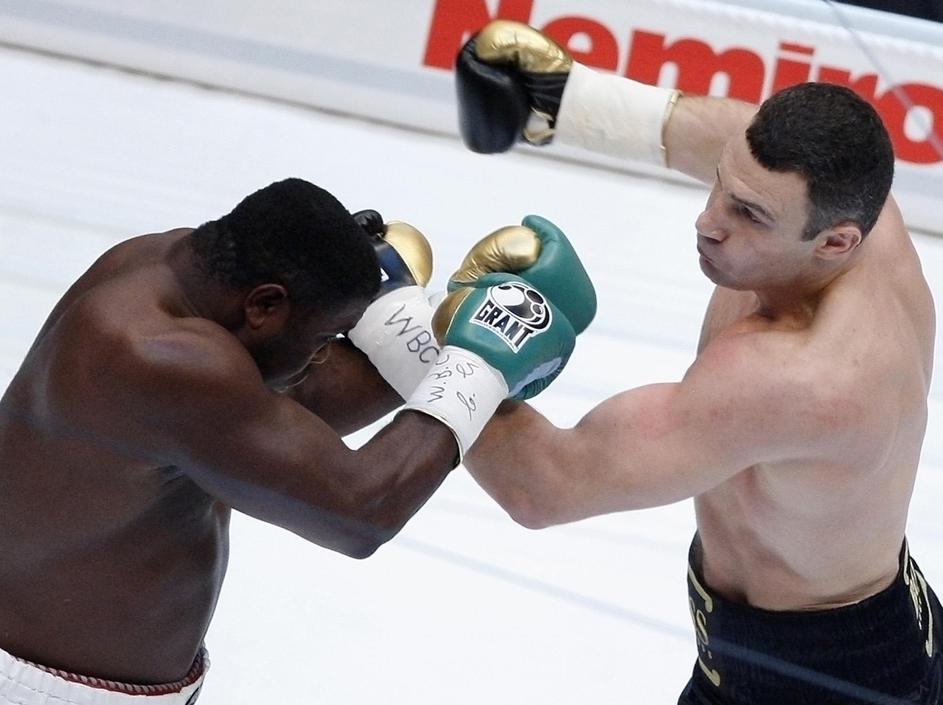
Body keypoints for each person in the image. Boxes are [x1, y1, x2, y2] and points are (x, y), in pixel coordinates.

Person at [453, 20, 942, 705]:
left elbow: (546, 486)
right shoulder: (857, 208)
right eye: (719, 184)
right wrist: (573, 100)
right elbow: (739, 139)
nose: (708, 222)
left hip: (820, 683)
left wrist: (416, 323)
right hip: (862, 624)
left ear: (834, 242)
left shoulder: (796, 376)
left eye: (747, 214)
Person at [0, 176, 590, 704]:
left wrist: (412, 325)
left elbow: (276, 414)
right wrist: (476, 366)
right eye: (325, 336)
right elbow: (358, 511)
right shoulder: (163, 359)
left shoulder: (165, 268)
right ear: (265, 304)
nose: (322, 355)